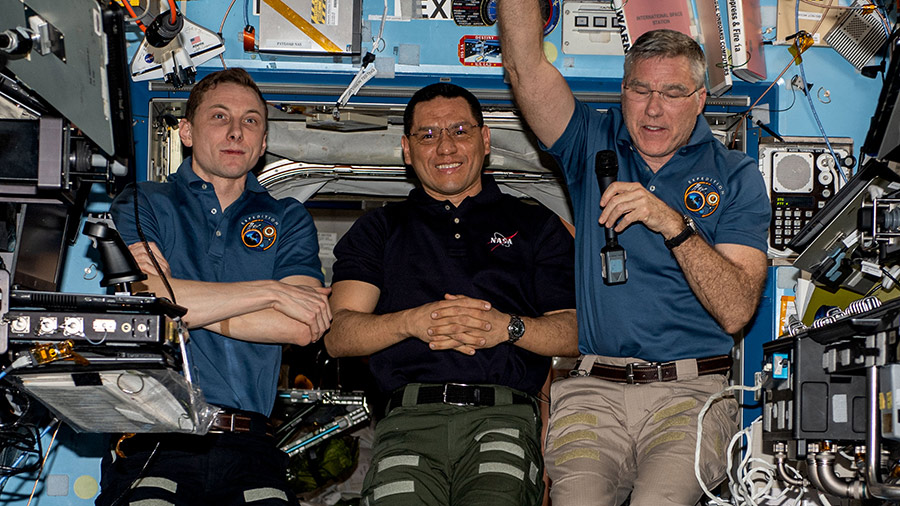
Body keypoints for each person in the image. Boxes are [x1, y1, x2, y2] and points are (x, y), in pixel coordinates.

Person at [498, 5, 771, 505]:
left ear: (699, 99)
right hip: (591, 390)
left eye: (671, 94)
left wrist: (671, 222)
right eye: (640, 90)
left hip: (690, 395)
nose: (652, 109)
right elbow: (524, 67)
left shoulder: (736, 175)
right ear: (622, 92)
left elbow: (736, 311)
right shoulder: (589, 140)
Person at [324, 82, 578, 506]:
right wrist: (412, 322)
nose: (445, 147)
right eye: (428, 135)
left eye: (460, 131)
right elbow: (338, 335)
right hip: (407, 421)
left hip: (504, 418)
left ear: (485, 139)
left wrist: (506, 327)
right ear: (407, 149)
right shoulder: (378, 229)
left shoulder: (536, 225)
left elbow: (574, 332)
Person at [96, 68, 331, 506]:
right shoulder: (143, 201)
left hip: (250, 445)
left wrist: (182, 304)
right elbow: (146, 300)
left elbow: (300, 327)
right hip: (157, 435)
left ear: (263, 144)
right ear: (185, 131)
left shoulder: (288, 218)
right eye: (220, 117)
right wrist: (272, 291)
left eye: (251, 121)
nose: (236, 132)